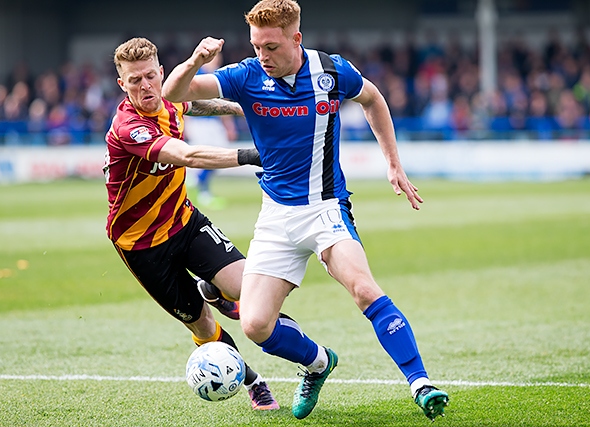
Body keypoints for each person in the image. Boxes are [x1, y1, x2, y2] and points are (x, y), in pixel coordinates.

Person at [162, 0, 449, 421]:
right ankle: (318, 365)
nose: (263, 56)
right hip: (276, 217)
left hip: (325, 209)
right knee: (256, 325)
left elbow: (373, 99)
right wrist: (195, 61)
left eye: (272, 47)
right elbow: (174, 93)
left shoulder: (331, 71)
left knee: (365, 289)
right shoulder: (245, 75)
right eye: (257, 46)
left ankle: (420, 382)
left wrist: (392, 161)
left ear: (296, 38)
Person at [103, 36, 279, 411]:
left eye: (150, 76)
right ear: (122, 84)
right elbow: (187, 154)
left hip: (184, 221)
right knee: (203, 327)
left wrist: (244, 108)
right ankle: (254, 381)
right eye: (135, 80)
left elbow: (194, 104)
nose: (145, 86)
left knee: (250, 291)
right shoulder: (128, 127)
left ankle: (215, 290)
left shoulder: (168, 98)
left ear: (161, 72)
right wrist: (252, 154)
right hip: (142, 245)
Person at [184, 52, 239, 209]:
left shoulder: (218, 75)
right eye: (215, 58)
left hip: (212, 123)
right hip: (199, 123)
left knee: (218, 154)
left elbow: (222, 103)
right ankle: (202, 190)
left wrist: (228, 125)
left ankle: (197, 181)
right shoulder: (198, 76)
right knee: (208, 155)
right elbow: (186, 100)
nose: (218, 60)